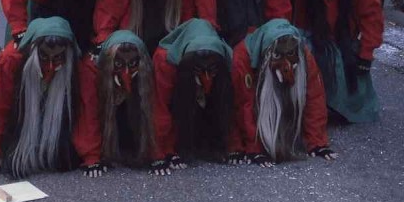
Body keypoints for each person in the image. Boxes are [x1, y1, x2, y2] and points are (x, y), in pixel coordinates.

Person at [282, 0, 384, 124]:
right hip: (309, 38)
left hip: (343, 41)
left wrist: (365, 53)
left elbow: (371, 14)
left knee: (344, 70)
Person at [0, 16, 81, 178]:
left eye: (58, 57)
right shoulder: (11, 59)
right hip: (15, 116)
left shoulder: (73, 63)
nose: (51, 66)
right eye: (44, 57)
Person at [229, 19, 334, 166]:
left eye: (290, 54)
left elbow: (315, 98)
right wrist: (254, 149)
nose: (286, 65)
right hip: (257, 104)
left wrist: (316, 142)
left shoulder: (303, 54)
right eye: (278, 56)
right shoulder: (242, 58)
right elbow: (243, 105)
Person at [149, 19, 235, 174]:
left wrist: (236, 147)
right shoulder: (165, 61)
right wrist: (162, 153)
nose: (206, 76)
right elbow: (160, 107)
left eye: (211, 69)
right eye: (200, 69)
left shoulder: (227, 63)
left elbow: (237, 105)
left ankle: (213, 145)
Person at [73, 30, 156, 175]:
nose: (126, 71)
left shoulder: (145, 72)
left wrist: (158, 154)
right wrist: (91, 157)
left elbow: (155, 110)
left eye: (132, 64)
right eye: (118, 64)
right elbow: (88, 114)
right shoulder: (91, 69)